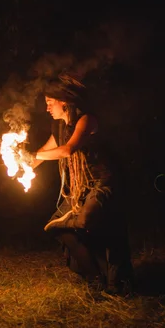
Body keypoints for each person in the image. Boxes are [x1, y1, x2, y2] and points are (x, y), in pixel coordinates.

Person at [30, 74, 133, 294]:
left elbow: (68, 150)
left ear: (63, 101)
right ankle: (95, 279)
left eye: (50, 103)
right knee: (59, 230)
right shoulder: (58, 126)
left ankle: (116, 283)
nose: (47, 108)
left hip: (102, 184)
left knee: (87, 222)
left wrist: (34, 154)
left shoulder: (86, 120)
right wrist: (22, 162)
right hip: (82, 188)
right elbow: (44, 154)